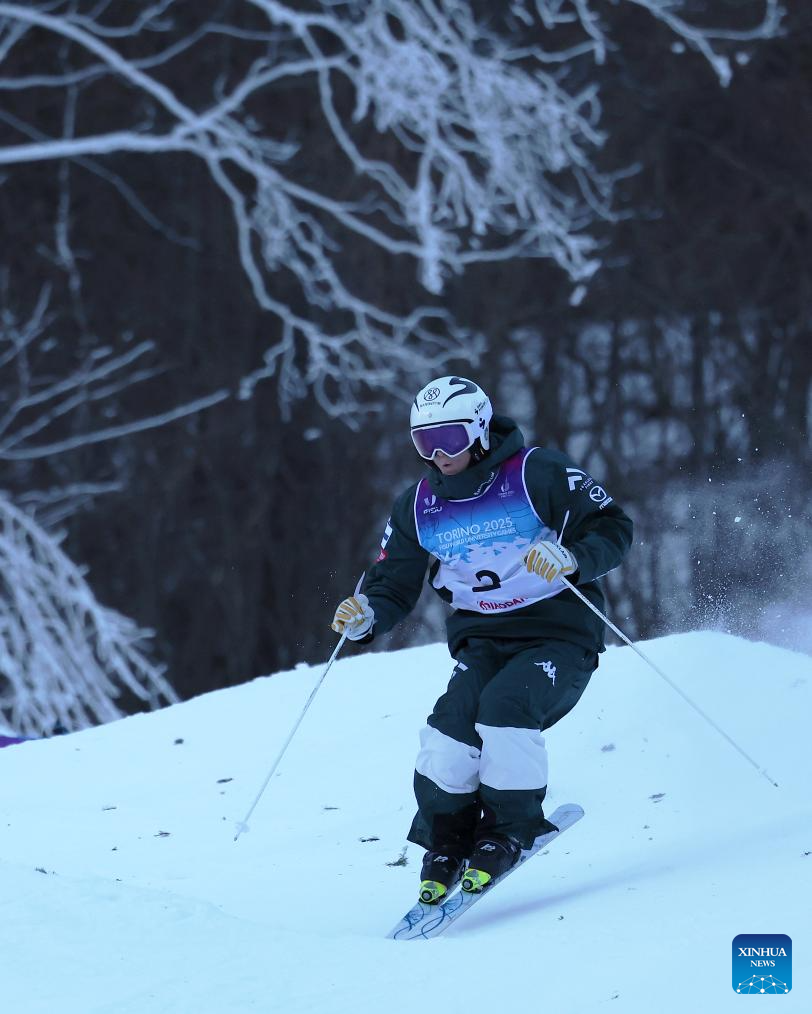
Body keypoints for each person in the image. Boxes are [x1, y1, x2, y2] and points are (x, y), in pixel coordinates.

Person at [331, 376, 633, 903]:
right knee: (450, 730)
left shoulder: (537, 472)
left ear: (478, 431)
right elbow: (393, 582)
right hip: (482, 638)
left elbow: (611, 525)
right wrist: (367, 615)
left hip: (558, 632)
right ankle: (446, 842)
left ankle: (508, 830)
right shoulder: (418, 506)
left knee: (504, 710)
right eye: (425, 442)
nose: (439, 455)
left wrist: (572, 557)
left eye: (448, 438)